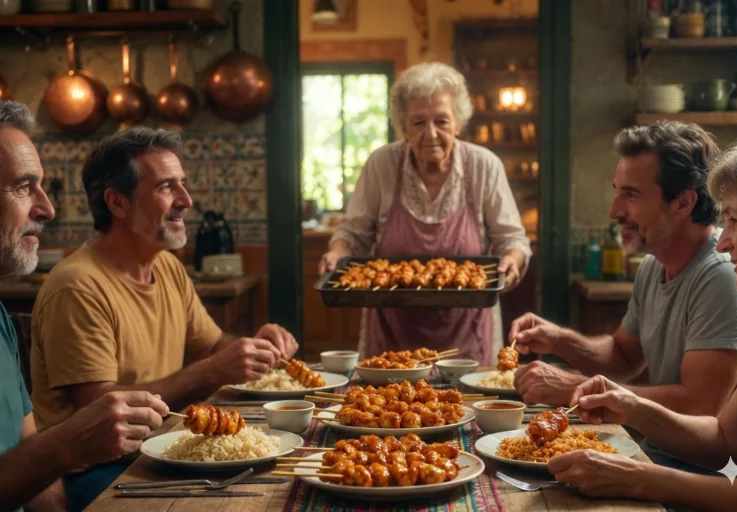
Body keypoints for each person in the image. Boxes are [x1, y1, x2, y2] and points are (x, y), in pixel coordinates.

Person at [29, 127, 299, 509]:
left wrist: (251, 346)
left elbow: (212, 345)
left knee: (278, 485)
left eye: (183, 185)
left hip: (163, 451)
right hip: (100, 472)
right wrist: (211, 371)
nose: (186, 200)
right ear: (117, 203)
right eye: (166, 187)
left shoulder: (167, 266)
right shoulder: (77, 285)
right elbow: (101, 411)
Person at [509, 121, 737, 473]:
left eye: (631, 195)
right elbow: (625, 355)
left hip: (705, 477)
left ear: (683, 203)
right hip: (655, 457)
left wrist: (576, 387)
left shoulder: (723, 275)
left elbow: (701, 406)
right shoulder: (653, 264)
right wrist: (559, 340)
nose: (615, 210)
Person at [0, 100, 169, 512]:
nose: (48, 208)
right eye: (24, 187)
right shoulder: (75, 283)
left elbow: (30, 459)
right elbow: (51, 450)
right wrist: (67, 444)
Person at [317, 62, 532, 365]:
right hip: (392, 335)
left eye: (441, 121)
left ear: (458, 123)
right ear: (403, 126)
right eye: (418, 123)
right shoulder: (382, 165)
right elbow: (352, 234)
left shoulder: (484, 166)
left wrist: (512, 259)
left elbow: (513, 239)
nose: (430, 133)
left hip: (467, 336)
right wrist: (336, 254)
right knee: (387, 408)